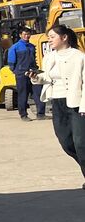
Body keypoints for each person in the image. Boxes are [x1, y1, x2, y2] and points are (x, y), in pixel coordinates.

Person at [32, 25, 85, 185]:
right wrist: (36, 77)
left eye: (52, 37)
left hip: (76, 104)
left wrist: (83, 106)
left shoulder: (79, 57)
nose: (49, 40)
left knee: (81, 143)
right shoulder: (49, 57)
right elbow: (47, 78)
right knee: (66, 142)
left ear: (64, 37)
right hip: (57, 102)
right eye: (49, 37)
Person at [7, 27, 45, 121]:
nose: (26, 36)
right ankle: (23, 115)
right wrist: (18, 72)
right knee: (23, 95)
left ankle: (40, 114)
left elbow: (33, 60)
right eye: (24, 34)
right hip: (22, 75)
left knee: (38, 93)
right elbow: (11, 63)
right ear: (20, 35)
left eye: (28, 34)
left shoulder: (32, 46)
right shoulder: (15, 47)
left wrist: (35, 70)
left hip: (33, 73)